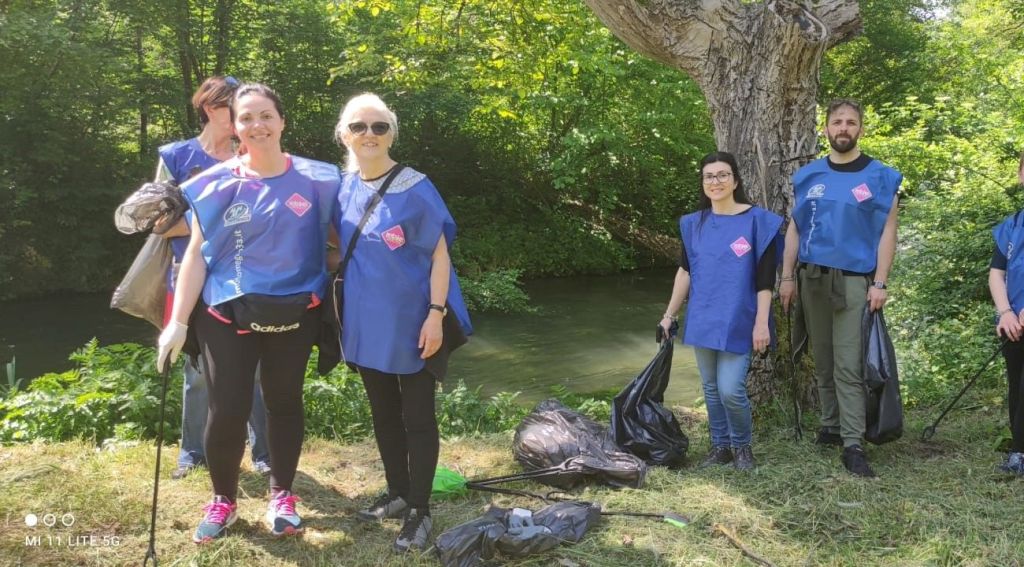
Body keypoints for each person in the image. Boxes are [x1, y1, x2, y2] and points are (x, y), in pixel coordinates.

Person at [156, 83, 341, 543]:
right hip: (225, 313)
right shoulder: (212, 184)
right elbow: (196, 253)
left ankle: (282, 495)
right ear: (233, 125)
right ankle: (224, 500)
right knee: (227, 409)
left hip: (296, 312)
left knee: (283, 403)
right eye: (246, 118)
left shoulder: (322, 179)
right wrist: (178, 323)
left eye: (266, 116)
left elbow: (345, 241)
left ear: (281, 121)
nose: (256, 125)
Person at [333, 93, 472, 552]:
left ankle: (420, 509)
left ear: (392, 132)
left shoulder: (416, 186)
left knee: (417, 418)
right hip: (364, 324)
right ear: (344, 134)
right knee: (383, 414)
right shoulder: (342, 186)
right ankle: (396, 493)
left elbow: (439, 257)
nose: (369, 135)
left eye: (379, 126)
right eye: (359, 126)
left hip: (414, 322)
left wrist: (436, 315)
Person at [150, 75, 271, 480]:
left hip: (246, 278)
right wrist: (215, 219)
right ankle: (193, 452)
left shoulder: (251, 153)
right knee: (197, 372)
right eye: (229, 107)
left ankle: (264, 451)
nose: (239, 116)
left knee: (254, 368)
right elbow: (158, 223)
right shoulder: (176, 157)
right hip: (190, 278)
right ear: (209, 109)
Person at [779, 98, 902, 478]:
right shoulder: (809, 176)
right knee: (824, 358)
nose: (843, 128)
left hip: (853, 282)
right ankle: (831, 426)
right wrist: (786, 277)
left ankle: (853, 443)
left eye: (851, 122)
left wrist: (880, 281)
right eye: (837, 122)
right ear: (826, 129)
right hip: (811, 277)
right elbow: (795, 229)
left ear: (860, 129)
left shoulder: (881, 177)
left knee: (849, 365)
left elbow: (888, 232)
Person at [659, 151, 781, 471]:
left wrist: (761, 324)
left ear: (735, 180)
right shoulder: (693, 224)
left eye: (722, 175)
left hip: (740, 317)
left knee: (731, 389)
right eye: (709, 176)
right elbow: (686, 272)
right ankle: (720, 446)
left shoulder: (759, 222)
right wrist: (669, 315)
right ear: (703, 183)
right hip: (703, 316)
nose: (716, 181)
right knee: (711, 388)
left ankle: (742, 447)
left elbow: (765, 281)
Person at [988, 150, 1024, 475]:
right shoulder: (1012, 225)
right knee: (1017, 383)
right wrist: (1006, 312)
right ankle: (1019, 449)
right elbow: (997, 273)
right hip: (1013, 322)